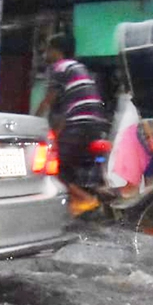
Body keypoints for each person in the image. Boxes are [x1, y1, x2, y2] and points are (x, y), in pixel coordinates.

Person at [35, 33, 114, 216]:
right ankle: (96, 198)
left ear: (56, 51)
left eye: (48, 49)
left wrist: (33, 120)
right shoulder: (79, 68)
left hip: (79, 125)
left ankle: (86, 199)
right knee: (76, 166)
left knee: (54, 165)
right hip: (96, 124)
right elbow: (68, 107)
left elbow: (49, 101)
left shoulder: (60, 68)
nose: (45, 53)